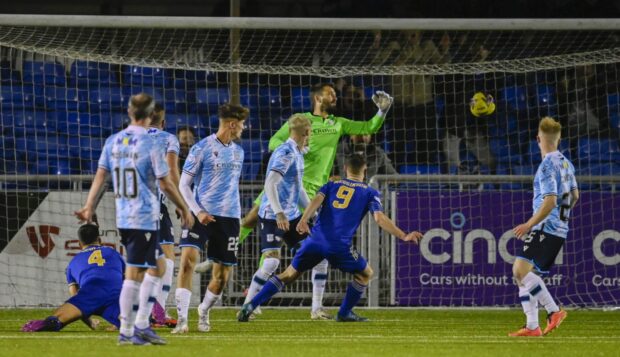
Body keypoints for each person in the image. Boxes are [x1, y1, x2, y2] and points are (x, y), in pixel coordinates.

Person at [195, 82, 393, 320]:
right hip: (284, 183)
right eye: (331, 93)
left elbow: (368, 126)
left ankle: (314, 307)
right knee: (249, 220)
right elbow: (273, 143)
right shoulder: (299, 122)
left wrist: (381, 111)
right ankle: (217, 256)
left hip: (310, 191)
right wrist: (298, 149)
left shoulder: (337, 123)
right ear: (318, 97)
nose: (336, 97)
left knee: (312, 249)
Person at [238, 154, 422, 323]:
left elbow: (315, 200)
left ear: (345, 168)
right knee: (366, 274)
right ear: (364, 171)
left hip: (314, 240)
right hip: (338, 246)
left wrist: (303, 220)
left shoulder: (331, 185)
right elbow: (379, 218)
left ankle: (250, 305)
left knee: (288, 275)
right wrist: (403, 235)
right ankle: (344, 313)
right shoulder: (369, 192)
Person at [75, 93, 194, 345]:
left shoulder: (114, 141)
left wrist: (88, 206)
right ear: (151, 115)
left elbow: (100, 176)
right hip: (145, 214)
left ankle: (138, 325)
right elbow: (165, 181)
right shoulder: (152, 144)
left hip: (124, 214)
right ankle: (130, 329)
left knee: (156, 267)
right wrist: (183, 207)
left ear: (130, 113)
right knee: (136, 273)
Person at [173, 103, 248, 334]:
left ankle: (204, 311)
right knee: (187, 262)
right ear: (233, 124)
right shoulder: (201, 148)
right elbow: (184, 184)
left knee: (222, 275)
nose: (243, 129)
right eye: (242, 125)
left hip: (229, 218)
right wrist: (197, 210)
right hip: (200, 215)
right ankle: (182, 320)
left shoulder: (239, 151)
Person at [509, 117, 579, 337]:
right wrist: (561, 218)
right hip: (558, 228)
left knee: (519, 271)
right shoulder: (567, 163)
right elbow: (575, 195)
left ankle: (553, 311)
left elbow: (549, 201)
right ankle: (532, 326)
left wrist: (529, 224)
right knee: (525, 278)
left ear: (538, 139)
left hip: (545, 227)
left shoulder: (547, 165)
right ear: (559, 139)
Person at [241, 114, 312, 316]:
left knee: (315, 254)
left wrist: (310, 212)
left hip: (292, 215)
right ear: (307, 132)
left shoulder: (298, 152)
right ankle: (249, 304)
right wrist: (279, 213)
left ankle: (316, 308)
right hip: (273, 215)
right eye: (311, 132)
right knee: (271, 262)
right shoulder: (286, 153)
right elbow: (270, 183)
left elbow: (298, 189)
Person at [21, 224, 124, 332]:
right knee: (135, 324)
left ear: (80, 243)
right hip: (116, 295)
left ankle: (45, 324)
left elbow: (75, 295)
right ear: (100, 240)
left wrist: (90, 322)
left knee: (53, 322)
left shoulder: (72, 264)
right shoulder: (113, 253)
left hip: (91, 293)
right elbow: (128, 281)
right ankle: (122, 322)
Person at [146, 103, 181, 328]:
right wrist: (182, 202)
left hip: (130, 207)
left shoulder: (127, 137)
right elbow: (171, 171)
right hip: (154, 206)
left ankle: (144, 313)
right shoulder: (169, 139)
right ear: (163, 122)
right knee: (167, 260)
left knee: (139, 262)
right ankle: (157, 310)